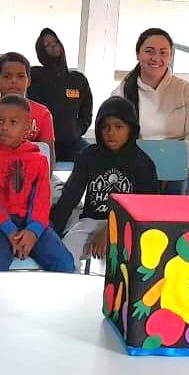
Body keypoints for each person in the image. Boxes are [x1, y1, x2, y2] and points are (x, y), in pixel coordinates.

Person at [50, 96, 157, 271]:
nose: (111, 133)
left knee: (113, 266)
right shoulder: (88, 156)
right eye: (105, 127)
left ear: (131, 129)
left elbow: (147, 208)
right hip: (90, 222)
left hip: (127, 226)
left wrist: (110, 231)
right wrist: (53, 233)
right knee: (64, 258)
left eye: (118, 127)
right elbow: (70, 196)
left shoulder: (142, 163)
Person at [0, 95, 73, 272]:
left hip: (32, 224)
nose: (4, 127)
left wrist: (33, 231)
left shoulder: (39, 160)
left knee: (64, 263)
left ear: (27, 128)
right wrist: (10, 230)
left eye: (13, 122)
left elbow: (42, 201)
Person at [113, 29, 189, 195]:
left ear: (170, 56)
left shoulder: (186, 91)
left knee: (178, 185)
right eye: (149, 51)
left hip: (181, 172)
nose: (156, 58)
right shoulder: (121, 94)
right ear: (138, 54)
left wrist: (181, 166)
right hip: (137, 169)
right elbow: (114, 140)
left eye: (163, 53)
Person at [0, 52, 55, 163]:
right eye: (7, 76)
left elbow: (48, 157)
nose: (14, 81)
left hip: (31, 173)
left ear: (28, 81)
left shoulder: (43, 113)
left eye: (20, 76)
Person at [29, 28, 93, 161]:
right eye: (47, 44)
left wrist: (77, 131)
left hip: (73, 143)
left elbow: (86, 111)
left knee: (94, 159)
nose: (53, 45)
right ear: (40, 51)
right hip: (42, 142)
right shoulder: (33, 76)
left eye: (55, 42)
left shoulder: (78, 79)